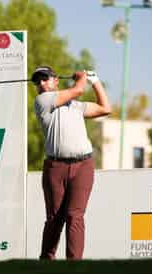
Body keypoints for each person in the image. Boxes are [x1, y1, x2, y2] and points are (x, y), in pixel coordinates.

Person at [32, 66, 111, 260]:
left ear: (56, 80)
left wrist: (96, 81)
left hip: (83, 166)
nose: (41, 84)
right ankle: (46, 260)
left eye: (45, 79)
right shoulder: (42, 101)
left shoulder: (75, 105)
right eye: (37, 81)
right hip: (55, 168)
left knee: (75, 217)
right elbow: (77, 89)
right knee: (55, 219)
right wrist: (83, 78)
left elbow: (105, 108)